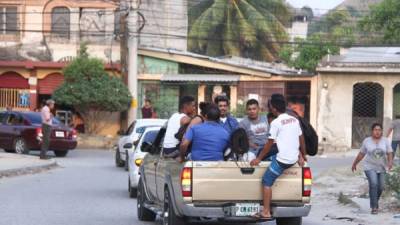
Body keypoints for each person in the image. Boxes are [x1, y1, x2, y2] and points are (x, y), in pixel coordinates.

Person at [250, 97, 306, 220]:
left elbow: (269, 144)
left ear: (274, 109)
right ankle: (265, 209)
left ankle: (265, 212)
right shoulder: (294, 120)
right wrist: (303, 155)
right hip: (292, 157)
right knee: (271, 158)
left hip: (283, 161)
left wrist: (259, 159)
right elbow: (300, 138)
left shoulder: (276, 123)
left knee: (266, 180)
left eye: (270, 107)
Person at [352, 123, 393, 215]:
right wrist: (355, 163)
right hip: (369, 166)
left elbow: (389, 152)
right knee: (374, 184)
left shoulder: (385, 141)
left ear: (381, 131)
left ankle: (374, 201)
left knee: (381, 186)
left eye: (379, 130)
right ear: (372, 131)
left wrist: (390, 162)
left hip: (382, 167)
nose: (377, 132)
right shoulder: (367, 141)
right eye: (375, 130)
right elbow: (361, 153)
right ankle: (374, 207)